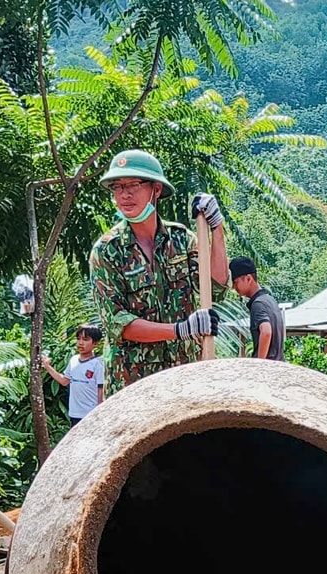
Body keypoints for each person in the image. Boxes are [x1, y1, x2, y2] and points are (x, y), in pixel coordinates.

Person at [87, 149, 229, 392]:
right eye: (117, 187)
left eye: (133, 184)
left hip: (184, 377)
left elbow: (215, 288)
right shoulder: (106, 251)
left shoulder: (182, 240)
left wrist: (216, 228)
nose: (125, 194)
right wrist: (180, 330)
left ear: (156, 189)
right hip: (132, 383)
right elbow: (117, 323)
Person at [41, 324, 106, 423]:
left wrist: (100, 414)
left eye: (85, 339)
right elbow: (64, 381)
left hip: (91, 415)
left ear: (95, 343)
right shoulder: (74, 360)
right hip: (74, 414)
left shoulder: (98, 364)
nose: (80, 343)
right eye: (78, 338)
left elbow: (101, 391)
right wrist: (47, 367)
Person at [229, 256, 286, 360]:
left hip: (268, 369)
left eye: (235, 282)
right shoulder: (270, 300)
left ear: (248, 279)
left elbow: (266, 332)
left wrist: (260, 364)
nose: (234, 287)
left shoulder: (258, 304)